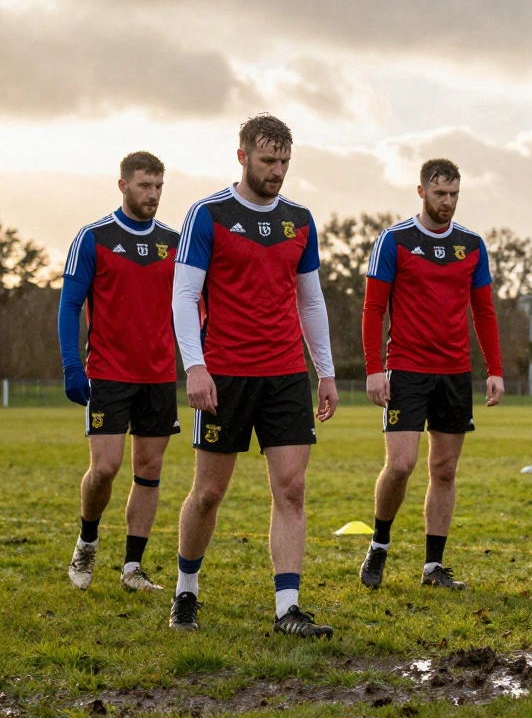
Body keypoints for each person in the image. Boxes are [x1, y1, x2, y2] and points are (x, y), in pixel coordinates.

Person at [169, 114, 339, 636]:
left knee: (291, 489)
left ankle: (287, 607)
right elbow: (183, 296)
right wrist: (195, 367)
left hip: (286, 375)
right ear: (242, 156)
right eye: (268, 160)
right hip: (225, 376)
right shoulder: (208, 214)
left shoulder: (300, 220)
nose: (277, 171)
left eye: (285, 161)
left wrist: (325, 372)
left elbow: (310, 301)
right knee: (208, 494)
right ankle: (186, 591)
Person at [358, 158, 504, 590]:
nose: (448, 202)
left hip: (455, 373)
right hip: (406, 370)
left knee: (444, 469)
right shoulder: (395, 241)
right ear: (421, 192)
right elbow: (372, 309)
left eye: (455, 194)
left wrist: (494, 369)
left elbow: (484, 311)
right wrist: (373, 369)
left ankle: (433, 568)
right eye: (440, 194)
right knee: (401, 465)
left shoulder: (472, 245)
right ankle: (379, 544)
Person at [59, 151, 178, 593]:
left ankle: (132, 568)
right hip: (108, 374)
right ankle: (87, 542)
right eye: (145, 185)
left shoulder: (173, 241)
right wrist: (73, 365)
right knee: (105, 468)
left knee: (149, 468)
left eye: (159, 186)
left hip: (160, 375)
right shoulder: (94, 237)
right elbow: (70, 305)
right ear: (123, 185)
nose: (153, 194)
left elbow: (192, 305)